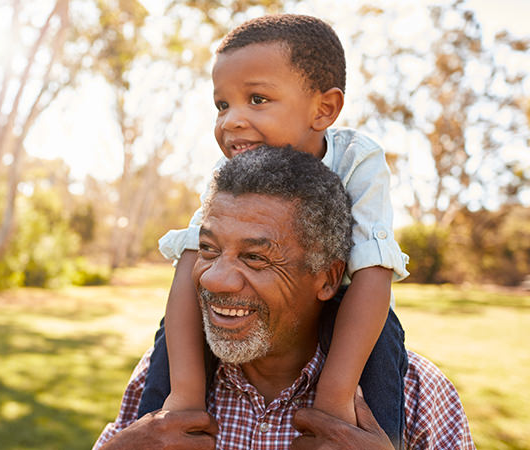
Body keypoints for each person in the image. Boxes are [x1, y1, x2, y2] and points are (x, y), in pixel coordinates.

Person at [140, 14, 410, 448]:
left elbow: (373, 272)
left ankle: (364, 437)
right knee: (170, 335)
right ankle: (161, 431)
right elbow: (191, 264)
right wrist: (184, 395)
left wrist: (333, 400)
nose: (231, 121)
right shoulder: (227, 174)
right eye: (222, 105)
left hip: (345, 302)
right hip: (257, 317)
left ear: (324, 109)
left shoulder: (357, 160)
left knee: (385, 338)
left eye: (258, 99)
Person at [93, 147, 475, 450]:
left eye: (255, 257)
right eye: (208, 250)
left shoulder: (417, 394)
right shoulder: (163, 375)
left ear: (327, 279)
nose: (215, 279)